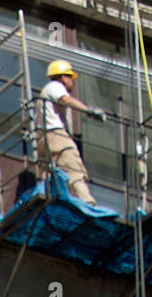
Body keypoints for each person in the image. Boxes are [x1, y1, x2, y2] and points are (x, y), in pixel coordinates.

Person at [38, 60, 106, 205]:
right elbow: (66, 99)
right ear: (63, 77)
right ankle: (88, 203)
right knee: (74, 168)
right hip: (56, 135)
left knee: (48, 175)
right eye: (70, 77)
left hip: (45, 139)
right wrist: (89, 110)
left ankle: (45, 201)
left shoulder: (45, 91)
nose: (72, 81)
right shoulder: (55, 86)